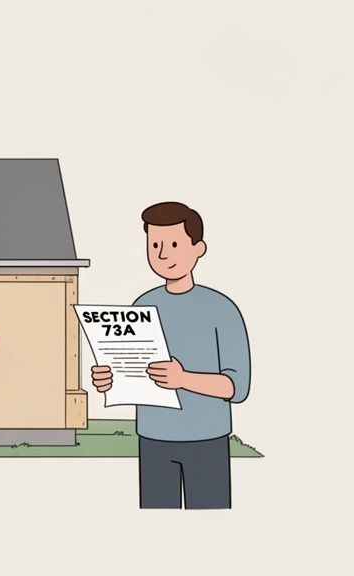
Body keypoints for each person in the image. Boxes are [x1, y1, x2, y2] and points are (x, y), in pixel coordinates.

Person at [91, 202, 250, 509]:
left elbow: (236, 388)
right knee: (154, 524)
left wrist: (183, 379)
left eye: (174, 244)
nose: (163, 254)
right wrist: (110, 378)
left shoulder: (222, 309)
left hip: (206, 440)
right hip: (153, 438)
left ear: (198, 248)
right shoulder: (142, 306)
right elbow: (133, 370)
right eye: (154, 244)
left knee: (210, 520)